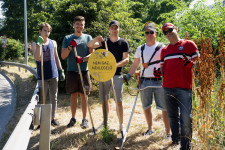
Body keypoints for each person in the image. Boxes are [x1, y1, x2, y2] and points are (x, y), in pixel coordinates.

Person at [124, 21, 170, 136]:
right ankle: (150, 129)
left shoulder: (162, 47)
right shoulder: (140, 49)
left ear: (156, 34)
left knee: (165, 108)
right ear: (144, 34)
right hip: (144, 81)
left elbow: (168, 64)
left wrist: (162, 72)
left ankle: (168, 133)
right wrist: (128, 76)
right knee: (146, 107)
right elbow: (135, 64)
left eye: (151, 32)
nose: (149, 34)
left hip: (159, 82)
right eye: (147, 32)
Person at [161, 23, 199, 150]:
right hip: (167, 87)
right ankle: (175, 140)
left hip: (184, 87)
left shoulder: (189, 44)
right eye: (165, 32)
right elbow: (162, 69)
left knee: (186, 118)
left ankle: (185, 146)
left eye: (170, 30)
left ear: (176, 29)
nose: (168, 33)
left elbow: (198, 63)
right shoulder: (164, 50)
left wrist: (192, 65)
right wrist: (158, 73)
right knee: (172, 116)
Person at [87, 20, 130, 132]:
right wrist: (97, 39)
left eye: (116, 28)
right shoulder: (104, 42)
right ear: (109, 29)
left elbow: (126, 59)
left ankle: (121, 125)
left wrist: (115, 65)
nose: (114, 30)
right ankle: (105, 123)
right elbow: (89, 45)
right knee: (104, 100)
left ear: (118, 29)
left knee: (118, 101)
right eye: (112, 28)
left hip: (117, 76)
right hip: (104, 75)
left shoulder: (123, 43)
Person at [61, 16, 94, 129]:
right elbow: (63, 56)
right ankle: (73, 118)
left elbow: (92, 54)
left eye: (82, 24)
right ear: (74, 25)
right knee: (73, 95)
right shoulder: (67, 38)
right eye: (77, 24)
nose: (79, 26)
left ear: (84, 26)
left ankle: (85, 119)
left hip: (84, 71)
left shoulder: (88, 37)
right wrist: (70, 46)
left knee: (84, 95)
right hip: (72, 71)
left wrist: (83, 59)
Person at [31, 22, 65, 126]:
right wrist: (38, 45)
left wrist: (60, 70)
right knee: (42, 98)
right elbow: (37, 57)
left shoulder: (53, 42)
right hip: (42, 75)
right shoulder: (34, 43)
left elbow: (56, 57)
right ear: (40, 31)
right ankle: (42, 121)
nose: (47, 33)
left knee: (53, 97)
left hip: (53, 74)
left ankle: (52, 118)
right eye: (45, 30)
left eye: (48, 31)